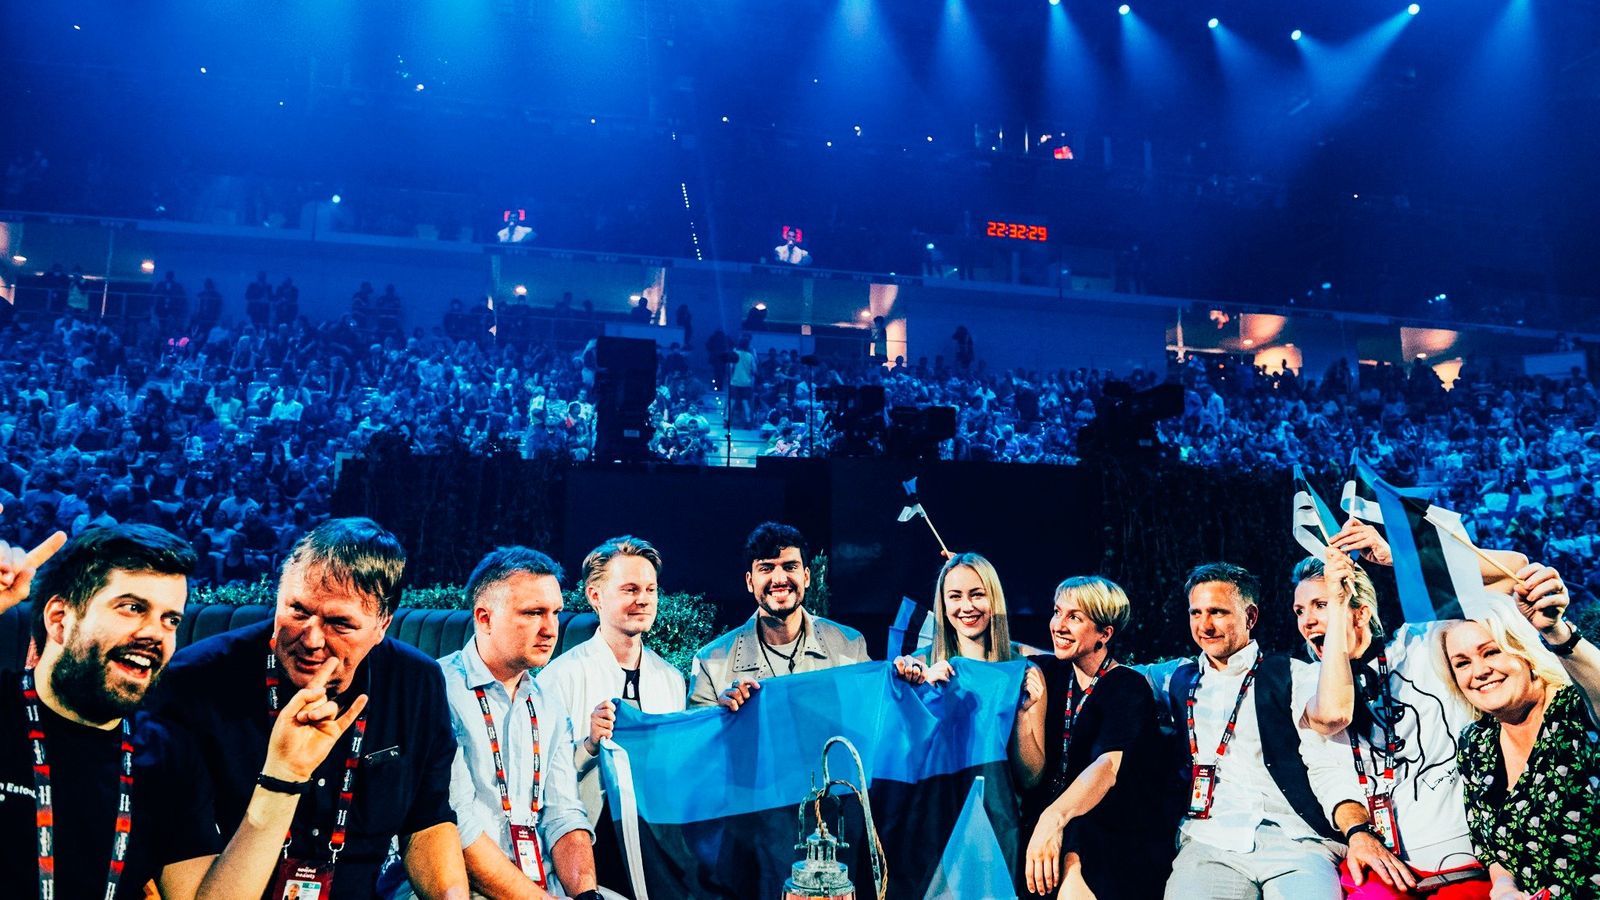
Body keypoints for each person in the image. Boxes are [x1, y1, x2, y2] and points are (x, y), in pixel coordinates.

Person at [0, 523, 365, 900]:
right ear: (59, 619)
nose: (155, 633)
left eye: (170, 619)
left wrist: (284, 778)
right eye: (132, 608)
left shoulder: (166, 754)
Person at [150, 517, 469, 900]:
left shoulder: (417, 681)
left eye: (340, 623)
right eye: (297, 611)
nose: (312, 639)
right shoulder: (196, 680)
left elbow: (428, 819)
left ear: (382, 624)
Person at [1160, 562, 1401, 900]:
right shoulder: (1177, 678)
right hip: (1211, 840)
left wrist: (1357, 830)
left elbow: (1331, 722)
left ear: (1251, 617)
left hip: (1298, 841)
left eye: (1217, 612)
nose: (1205, 625)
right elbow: (1109, 677)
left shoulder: (1291, 672)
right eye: (1196, 613)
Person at [1293, 521, 1505, 898]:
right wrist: (1357, 833)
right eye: (1299, 610)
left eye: (1320, 604)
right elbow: (1333, 724)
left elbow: (1511, 575)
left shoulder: (1421, 644)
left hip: (1464, 863)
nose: (1306, 620)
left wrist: (1401, 558)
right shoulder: (1308, 682)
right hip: (1383, 869)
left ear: (1361, 613)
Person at [424, 546, 606, 900]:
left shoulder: (549, 704)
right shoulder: (437, 689)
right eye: (534, 613)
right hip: (458, 884)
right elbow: (455, 826)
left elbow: (564, 815)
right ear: (484, 618)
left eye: (555, 613)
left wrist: (587, 895)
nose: (551, 629)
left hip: (541, 883)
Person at [1437, 565, 1600, 900]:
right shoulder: (1475, 743)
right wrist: (1504, 886)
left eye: (1491, 651)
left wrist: (1556, 632)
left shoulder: (1575, 709)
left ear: (1524, 653)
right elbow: (1490, 850)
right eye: (1462, 663)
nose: (1480, 671)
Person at [1020, 576, 1177, 900]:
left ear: (1105, 634)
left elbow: (1106, 767)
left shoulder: (1127, 686)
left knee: (1077, 846)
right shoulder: (1049, 671)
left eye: (1074, 617)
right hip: (1054, 821)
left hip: (1112, 831)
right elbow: (997, 651)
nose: (1058, 625)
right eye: (1056, 612)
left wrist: (1053, 818)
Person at [538, 536, 687, 825]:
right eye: (629, 589)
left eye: (650, 589)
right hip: (587, 840)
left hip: (657, 837)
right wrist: (589, 745)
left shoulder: (671, 679)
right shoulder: (558, 678)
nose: (642, 599)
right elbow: (536, 781)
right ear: (595, 596)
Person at [688, 522, 869, 710]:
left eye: (790, 567)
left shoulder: (850, 647)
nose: (780, 579)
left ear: (806, 577)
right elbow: (699, 737)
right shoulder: (709, 663)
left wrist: (900, 680)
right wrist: (721, 717)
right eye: (766, 568)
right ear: (750, 582)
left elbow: (872, 714)